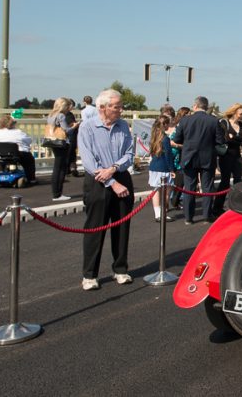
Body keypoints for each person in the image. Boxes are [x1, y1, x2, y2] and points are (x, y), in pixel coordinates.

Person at [77, 89, 135, 291]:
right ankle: (89, 275)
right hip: (97, 182)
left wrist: (114, 169)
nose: (120, 110)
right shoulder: (87, 127)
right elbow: (88, 161)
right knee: (95, 228)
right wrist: (111, 182)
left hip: (119, 175)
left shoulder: (123, 127)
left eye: (121, 106)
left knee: (122, 228)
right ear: (102, 107)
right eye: (116, 106)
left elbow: (129, 153)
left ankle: (120, 269)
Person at [171, 96, 224, 224]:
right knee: (207, 187)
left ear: (195, 106)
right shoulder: (213, 120)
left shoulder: (185, 121)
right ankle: (207, 216)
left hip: (189, 157)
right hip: (207, 158)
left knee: (189, 188)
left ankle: (189, 218)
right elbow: (220, 141)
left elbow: (177, 139)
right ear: (206, 107)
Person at [212, 103, 242, 217]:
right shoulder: (224, 123)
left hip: (237, 156)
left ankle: (239, 206)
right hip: (226, 156)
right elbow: (224, 139)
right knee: (225, 182)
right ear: (234, 113)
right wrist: (236, 138)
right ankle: (217, 208)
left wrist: (233, 138)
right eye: (241, 113)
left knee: (238, 181)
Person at [0, 114, 37, 183]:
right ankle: (31, 178)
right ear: (13, 124)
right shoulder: (19, 132)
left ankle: (2, 170)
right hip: (17, 155)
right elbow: (29, 141)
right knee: (29, 161)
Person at [147, 114, 175, 222]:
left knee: (155, 191)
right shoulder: (165, 138)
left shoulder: (154, 136)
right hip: (163, 168)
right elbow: (168, 156)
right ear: (165, 124)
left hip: (154, 167)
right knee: (166, 192)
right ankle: (164, 213)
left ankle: (157, 214)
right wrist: (172, 169)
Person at [47, 97, 76, 201]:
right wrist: (74, 126)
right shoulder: (61, 116)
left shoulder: (51, 115)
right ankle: (58, 193)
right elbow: (66, 130)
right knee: (61, 168)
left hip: (53, 142)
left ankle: (56, 192)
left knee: (57, 167)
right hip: (62, 143)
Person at [167, 106, 190, 210]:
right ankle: (168, 202)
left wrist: (176, 145)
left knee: (178, 181)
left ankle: (175, 201)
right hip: (170, 156)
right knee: (169, 182)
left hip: (177, 156)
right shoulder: (178, 126)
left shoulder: (180, 126)